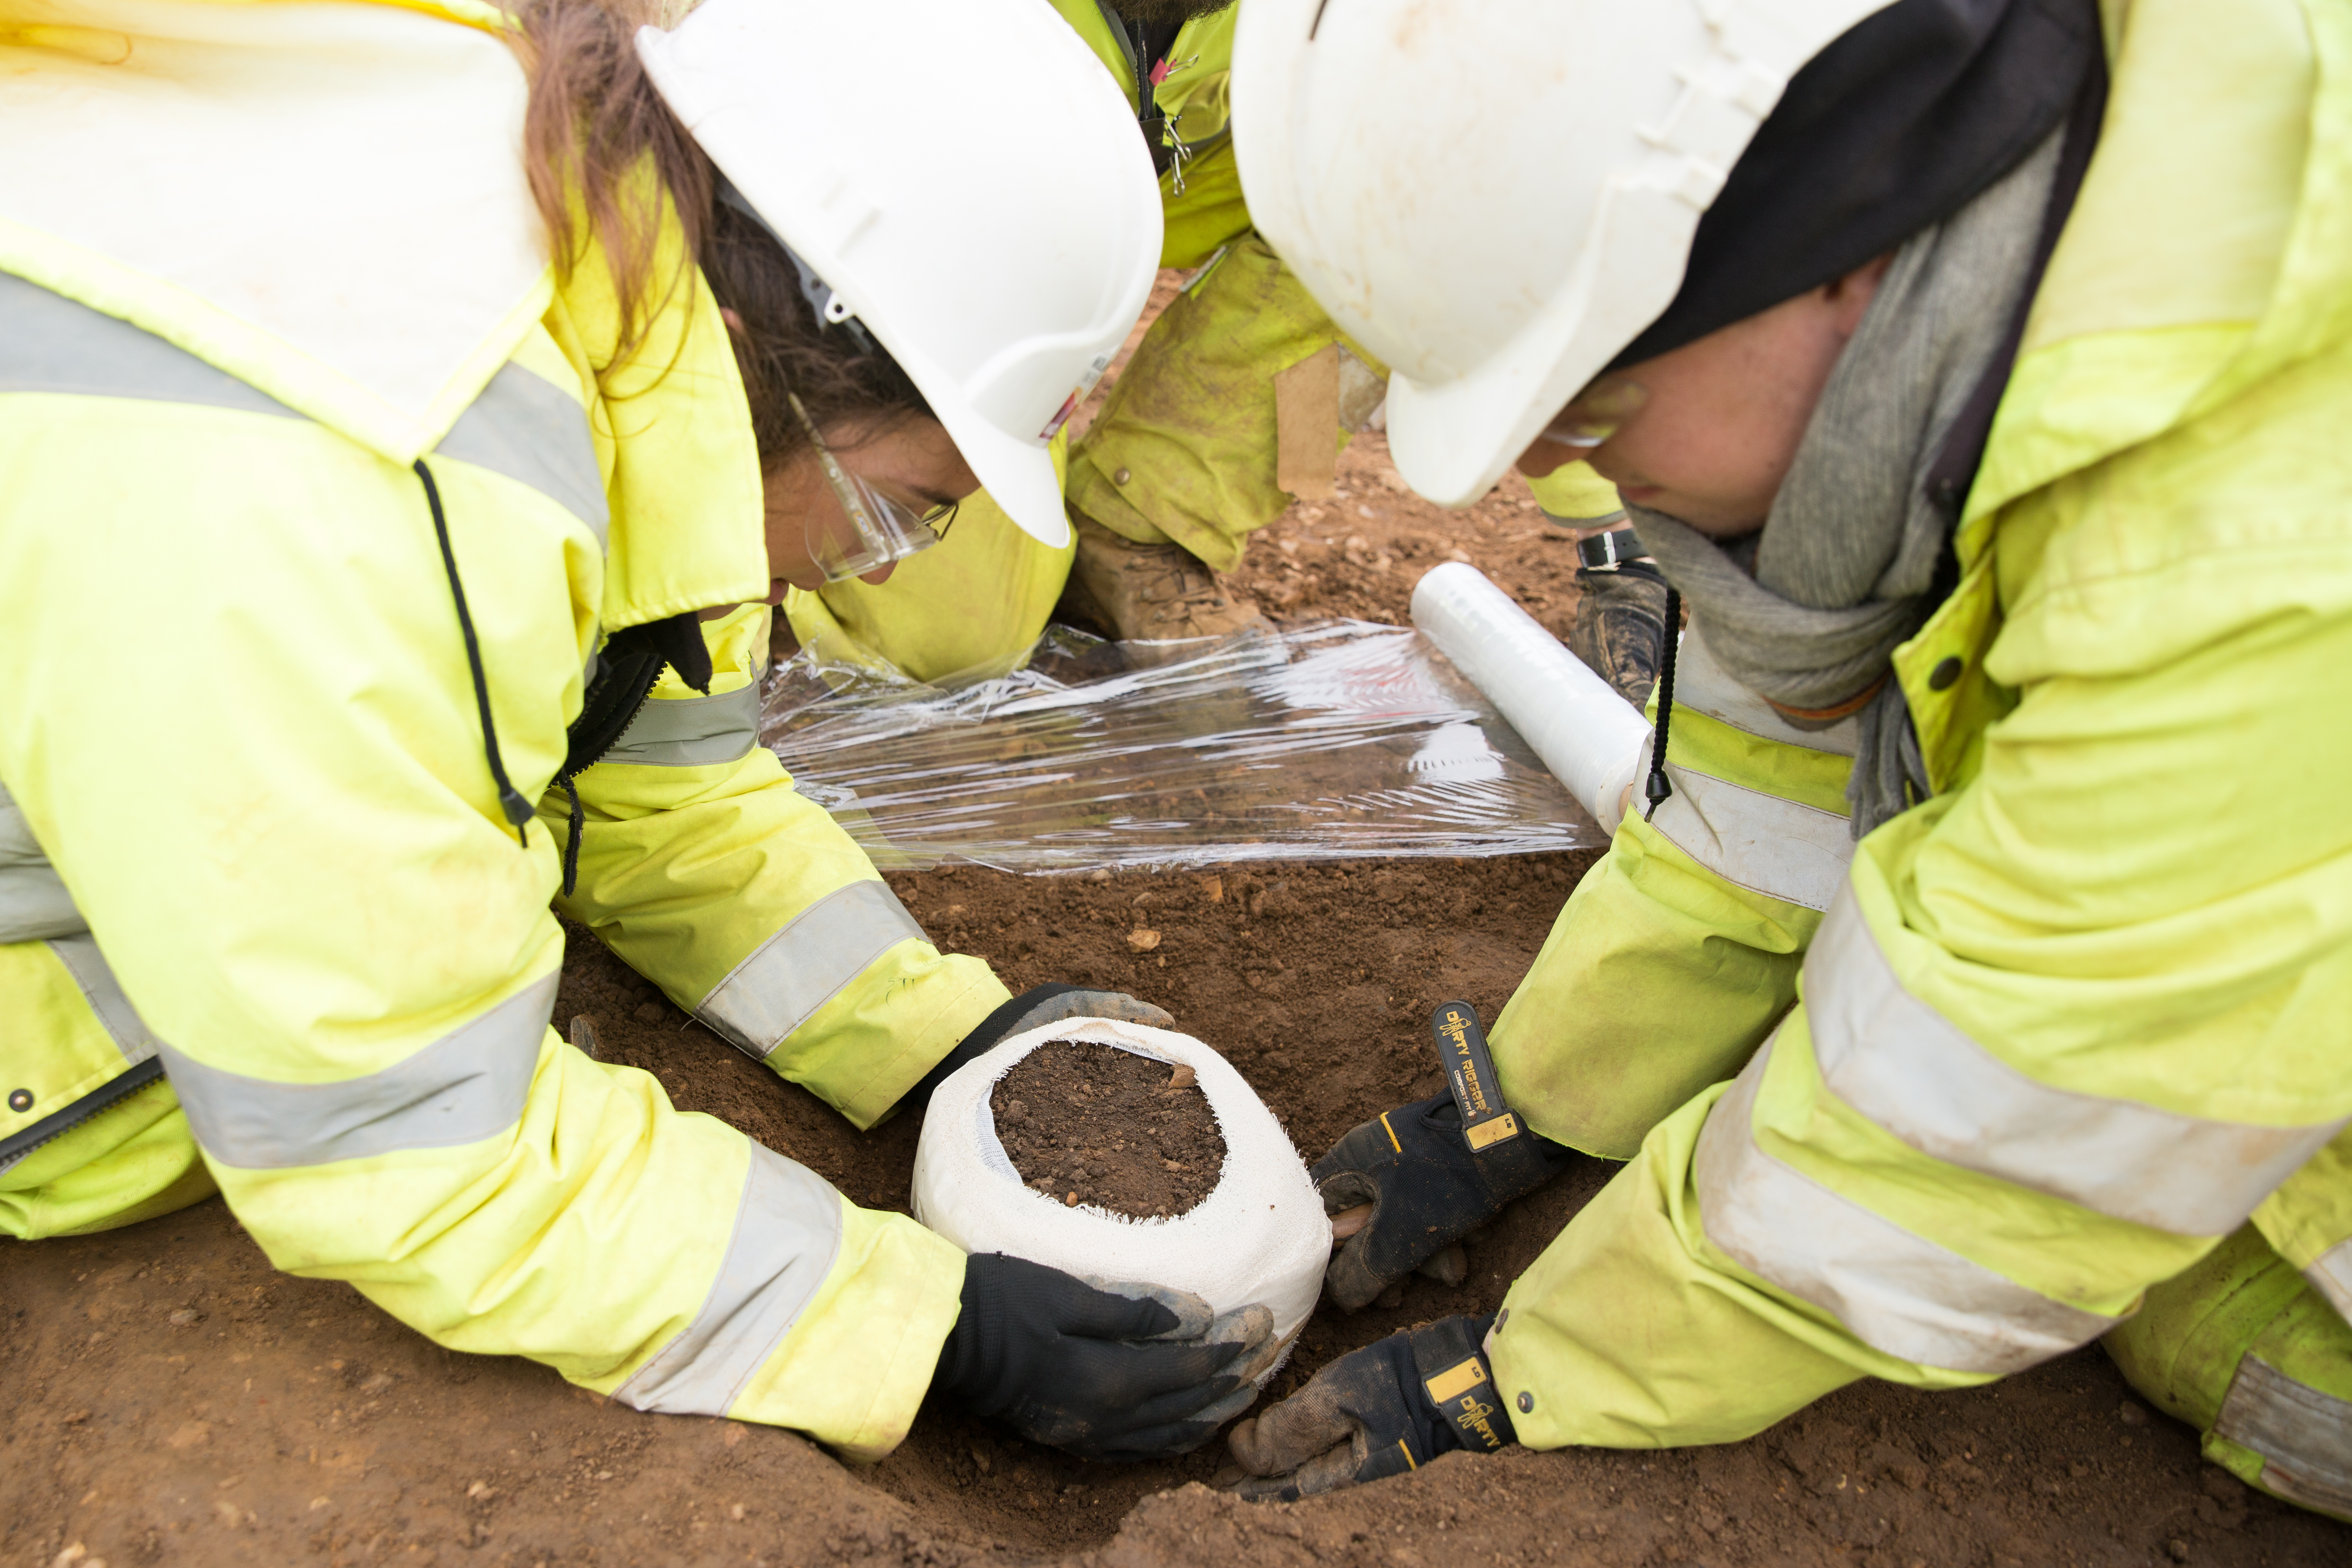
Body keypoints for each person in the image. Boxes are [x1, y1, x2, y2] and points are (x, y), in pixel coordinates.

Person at [0, 0, 1269, 1463]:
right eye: (897, 509)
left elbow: (661, 790)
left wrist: (939, 1041)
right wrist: (916, 1325)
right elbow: (403, 1136)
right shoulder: (349, 489)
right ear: (767, 354)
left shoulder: (621, 295)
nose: (888, 570)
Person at [1223, 0, 2352, 1518]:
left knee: (2160, 1284)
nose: (1581, 473)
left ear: (1841, 231)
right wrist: (1520, 1104)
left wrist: (1535, 1366)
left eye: (1597, 404)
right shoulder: (1926, 361)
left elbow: (1975, 1161)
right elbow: (1766, 809)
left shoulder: (2236, 557)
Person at [779, 0, 1463, 679]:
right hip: (935, 236)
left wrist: (1579, 532)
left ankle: (1141, 524)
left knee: (1428, 187)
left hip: (1153, 180)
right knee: (950, 648)